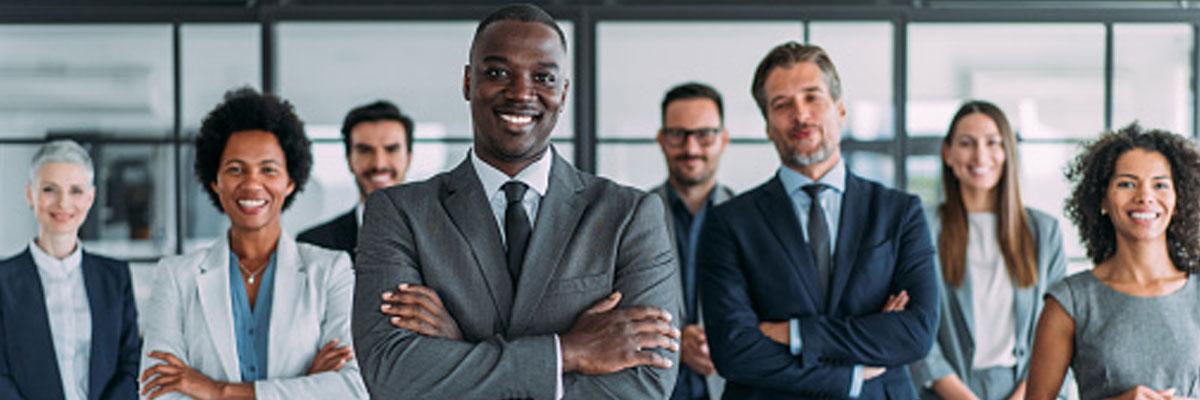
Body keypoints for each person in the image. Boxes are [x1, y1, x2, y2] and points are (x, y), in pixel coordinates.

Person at [352, 4, 683, 399]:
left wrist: (460, 352)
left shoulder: (629, 216)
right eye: (497, 73)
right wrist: (569, 351)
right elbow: (391, 374)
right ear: (468, 82)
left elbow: (645, 385)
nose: (521, 93)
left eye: (543, 77)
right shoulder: (400, 213)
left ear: (563, 92)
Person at [697, 41, 940, 399]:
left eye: (813, 97)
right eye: (782, 104)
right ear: (767, 125)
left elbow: (915, 333)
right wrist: (851, 374)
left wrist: (795, 334)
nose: (801, 115)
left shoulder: (899, 213)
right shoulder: (730, 222)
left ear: (840, 110)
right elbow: (734, 351)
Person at [138, 88, 367, 399]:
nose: (251, 183)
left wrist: (216, 391)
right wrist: (305, 385)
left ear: (289, 182)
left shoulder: (330, 271)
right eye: (235, 169)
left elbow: (351, 388)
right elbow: (157, 391)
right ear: (215, 181)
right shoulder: (177, 277)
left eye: (268, 169)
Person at [1026, 124, 1200, 400]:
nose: (1145, 196)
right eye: (1127, 183)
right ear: (1103, 200)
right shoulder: (1070, 302)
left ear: (1178, 200)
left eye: (1160, 185)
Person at [907, 101, 1066, 400]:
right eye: (966, 143)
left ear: (1008, 152)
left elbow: (1058, 331)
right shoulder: (921, 228)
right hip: (946, 391)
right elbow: (913, 325)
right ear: (948, 154)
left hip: (1028, 389)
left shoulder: (1044, 232)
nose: (980, 155)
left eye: (993, 142)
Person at [0, 140, 139, 400]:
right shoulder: (3, 281)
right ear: (31, 194)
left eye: (75, 190)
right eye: (50, 189)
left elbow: (130, 364)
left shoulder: (115, 278)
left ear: (90, 198)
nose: (63, 203)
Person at [650, 82, 733, 400]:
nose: (692, 148)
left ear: (723, 140)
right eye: (678, 134)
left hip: (729, 388)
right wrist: (675, 341)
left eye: (705, 135)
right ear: (661, 139)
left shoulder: (751, 221)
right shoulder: (630, 218)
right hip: (654, 388)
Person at [297, 100, 414, 257]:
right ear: (349, 159)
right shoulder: (313, 245)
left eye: (391, 149)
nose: (379, 164)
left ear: (409, 157)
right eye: (365, 150)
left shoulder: (439, 238)